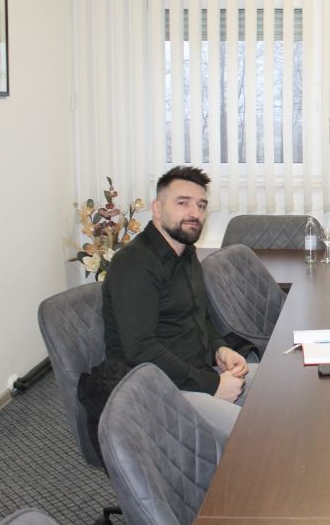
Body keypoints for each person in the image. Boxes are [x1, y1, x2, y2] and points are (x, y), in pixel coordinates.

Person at [100, 165, 257, 444]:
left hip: (197, 372)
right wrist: (212, 385)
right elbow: (140, 349)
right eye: (183, 203)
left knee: (282, 387)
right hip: (160, 389)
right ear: (157, 209)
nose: (194, 213)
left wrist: (219, 348)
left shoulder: (186, 254)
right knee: (256, 435)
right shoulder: (135, 264)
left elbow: (199, 316)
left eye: (201, 205)